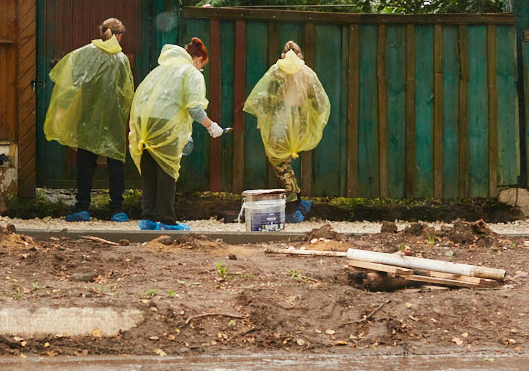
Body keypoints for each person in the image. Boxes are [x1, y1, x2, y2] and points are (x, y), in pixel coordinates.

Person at [128, 37, 225, 231]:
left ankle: (148, 219)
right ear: (198, 59)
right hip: (165, 125)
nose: (200, 69)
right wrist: (211, 126)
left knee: (150, 172)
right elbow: (194, 109)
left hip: (143, 122)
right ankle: (167, 220)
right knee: (167, 171)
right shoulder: (190, 72)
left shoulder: (162, 69)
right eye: (202, 65)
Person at [43, 18, 135, 222]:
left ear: (102, 31)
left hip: (87, 116)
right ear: (119, 35)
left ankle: (82, 208)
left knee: (85, 163)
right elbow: (127, 90)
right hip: (113, 118)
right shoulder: (121, 59)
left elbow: (70, 76)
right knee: (116, 162)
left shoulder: (86, 53)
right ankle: (117, 209)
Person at [243, 40, 331, 222]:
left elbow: (268, 98)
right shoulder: (307, 73)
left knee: (279, 162)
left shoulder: (277, 70)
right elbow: (319, 102)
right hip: (298, 122)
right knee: (285, 162)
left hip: (280, 120)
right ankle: (299, 201)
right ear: (300, 55)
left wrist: (262, 118)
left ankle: (293, 206)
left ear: (283, 55)